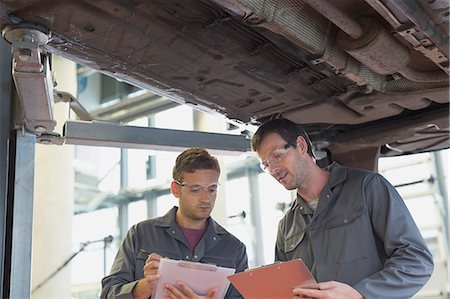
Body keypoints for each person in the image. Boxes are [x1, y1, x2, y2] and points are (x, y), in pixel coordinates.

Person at [251, 118, 434, 299]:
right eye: (265, 164)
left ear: (301, 146)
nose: (273, 169)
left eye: (277, 155)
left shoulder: (367, 188)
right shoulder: (286, 226)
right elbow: (286, 289)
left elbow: (416, 261)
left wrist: (360, 293)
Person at [100, 148, 248, 299]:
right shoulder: (141, 234)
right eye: (195, 190)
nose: (205, 199)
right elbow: (107, 294)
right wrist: (145, 286)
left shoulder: (234, 249)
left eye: (212, 189)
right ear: (175, 189)